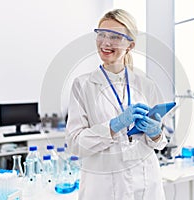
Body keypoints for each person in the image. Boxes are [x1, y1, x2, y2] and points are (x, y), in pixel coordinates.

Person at [66, 9, 169, 200]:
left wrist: (156, 134)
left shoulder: (146, 84)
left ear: (130, 44)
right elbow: (74, 144)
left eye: (115, 36)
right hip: (104, 188)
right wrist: (113, 126)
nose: (105, 42)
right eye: (101, 35)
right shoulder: (82, 85)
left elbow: (161, 142)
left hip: (147, 185)